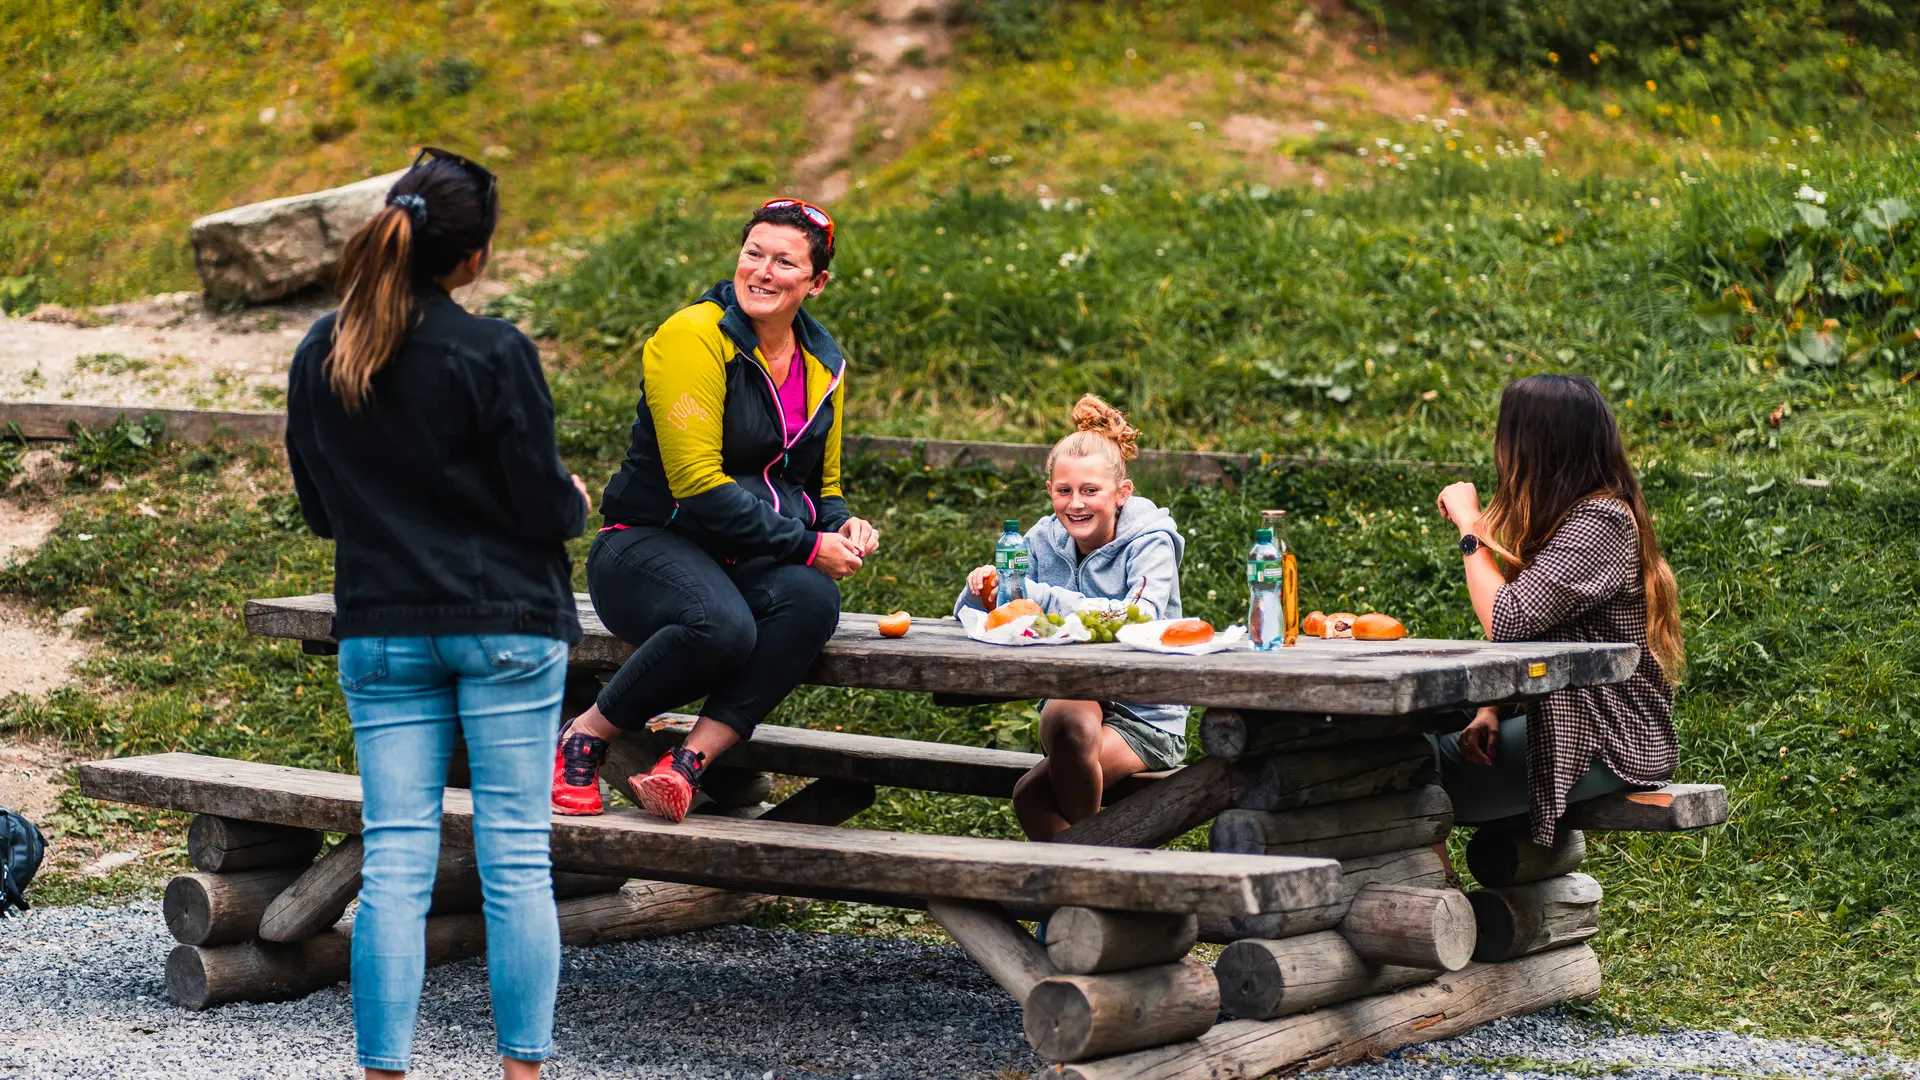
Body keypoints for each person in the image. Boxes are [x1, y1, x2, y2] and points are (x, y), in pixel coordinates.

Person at [286, 148, 589, 1079]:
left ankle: (384, 1072)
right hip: (504, 628)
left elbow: (319, 512)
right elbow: (544, 509)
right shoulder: (494, 352)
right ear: (473, 257)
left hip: (380, 629)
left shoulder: (321, 351)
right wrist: (572, 497)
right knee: (514, 866)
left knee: (396, 868)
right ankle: (521, 1071)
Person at [551, 198, 879, 823]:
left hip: (742, 555)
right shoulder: (692, 336)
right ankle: (584, 735)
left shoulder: (824, 363)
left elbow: (819, 485)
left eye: (785, 262)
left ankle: (684, 764)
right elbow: (698, 486)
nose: (762, 271)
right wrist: (808, 546)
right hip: (646, 545)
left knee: (812, 601)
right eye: (753, 253)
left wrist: (840, 527)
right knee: (722, 626)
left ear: (816, 283)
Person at [1431, 373, 1685, 846]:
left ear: (1537, 444)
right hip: (1572, 718)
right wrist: (1491, 709)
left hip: (1605, 738)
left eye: (1505, 434)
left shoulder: (1602, 520)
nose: (1496, 446)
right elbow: (1537, 628)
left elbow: (1507, 620)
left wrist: (1470, 527)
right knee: (1414, 740)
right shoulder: (1572, 517)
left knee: (1410, 767)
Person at [957, 395, 1189, 841]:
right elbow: (993, 611)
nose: (1075, 504)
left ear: (1122, 494)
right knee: (1073, 720)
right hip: (1072, 701)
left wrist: (1040, 596)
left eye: (1090, 491)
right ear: (1050, 492)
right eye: (1064, 491)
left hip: (1146, 713)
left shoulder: (1150, 541)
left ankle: (1087, 883)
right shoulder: (1042, 538)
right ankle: (1100, 878)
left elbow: (1139, 617)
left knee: (1031, 797)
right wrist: (981, 591)